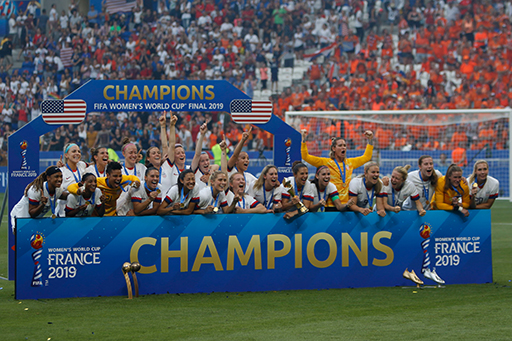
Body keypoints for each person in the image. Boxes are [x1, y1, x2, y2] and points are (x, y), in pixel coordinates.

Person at [301, 129, 374, 206]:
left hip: (347, 204)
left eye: (344, 145)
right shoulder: (326, 162)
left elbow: (367, 157)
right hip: (331, 204)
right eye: (340, 145)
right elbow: (305, 157)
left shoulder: (350, 163)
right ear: (333, 148)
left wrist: (370, 140)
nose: (343, 148)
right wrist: (303, 140)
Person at [68, 162, 140, 216]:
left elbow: (133, 178)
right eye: (115, 176)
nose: (118, 179)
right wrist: (78, 191)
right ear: (108, 175)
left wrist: (137, 182)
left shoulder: (123, 180)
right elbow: (71, 187)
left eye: (120, 176)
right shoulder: (97, 182)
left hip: (112, 216)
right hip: (96, 217)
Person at [58, 143, 87, 216]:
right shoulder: (61, 172)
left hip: (81, 213)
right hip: (64, 214)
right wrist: (75, 193)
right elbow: (57, 193)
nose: (77, 153)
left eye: (79, 151)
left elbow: (92, 164)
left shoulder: (82, 165)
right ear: (66, 155)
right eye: (74, 151)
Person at [227, 126, 256, 192]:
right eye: (243, 158)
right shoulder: (231, 171)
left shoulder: (249, 176)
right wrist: (243, 140)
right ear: (236, 161)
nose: (246, 160)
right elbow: (235, 155)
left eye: (248, 159)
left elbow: (261, 183)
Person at [191, 123, 219, 190]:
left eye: (207, 160)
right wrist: (202, 135)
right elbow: (197, 154)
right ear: (198, 163)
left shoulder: (211, 172)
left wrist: (210, 173)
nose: (206, 162)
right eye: (202, 161)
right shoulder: (195, 171)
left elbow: (216, 166)